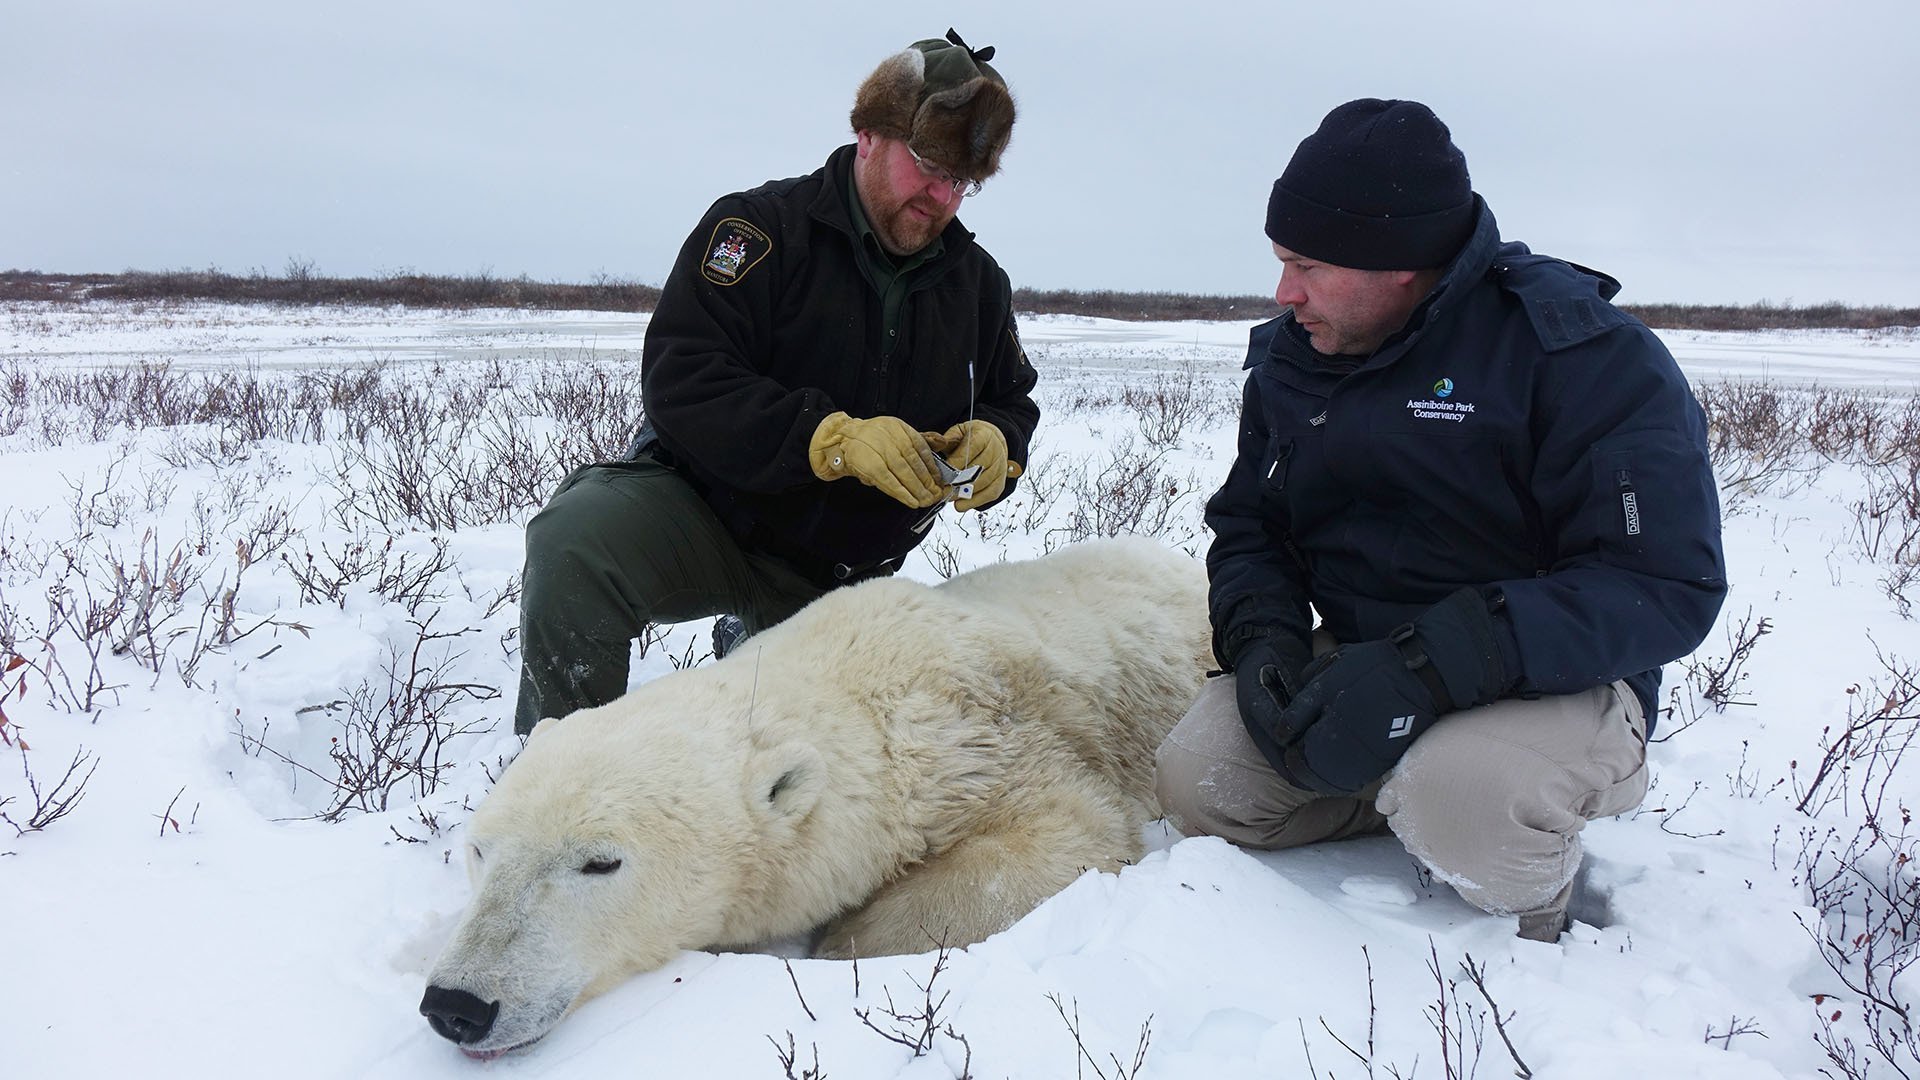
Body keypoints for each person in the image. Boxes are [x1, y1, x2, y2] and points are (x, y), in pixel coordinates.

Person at [1154, 99, 1727, 941]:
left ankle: (1513, 872)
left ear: (1398, 261)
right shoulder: (1295, 357)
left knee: (1463, 803)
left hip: (1554, 681)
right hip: (1366, 662)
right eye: (1281, 261)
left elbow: (1664, 584)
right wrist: (1265, 643)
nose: (1284, 293)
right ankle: (1397, 785)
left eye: (1306, 264)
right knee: (1202, 780)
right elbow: (1252, 525)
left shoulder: (1582, 357)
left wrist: (1431, 668)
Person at [512, 30, 1039, 736]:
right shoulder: (758, 231)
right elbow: (683, 375)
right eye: (927, 164)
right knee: (575, 543)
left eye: (962, 181)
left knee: (809, 754)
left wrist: (997, 444)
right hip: (710, 515)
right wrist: (829, 440)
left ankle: (757, 646)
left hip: (840, 576)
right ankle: (556, 779)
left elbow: (1011, 399)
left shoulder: (978, 287)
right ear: (868, 135)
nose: (941, 195)